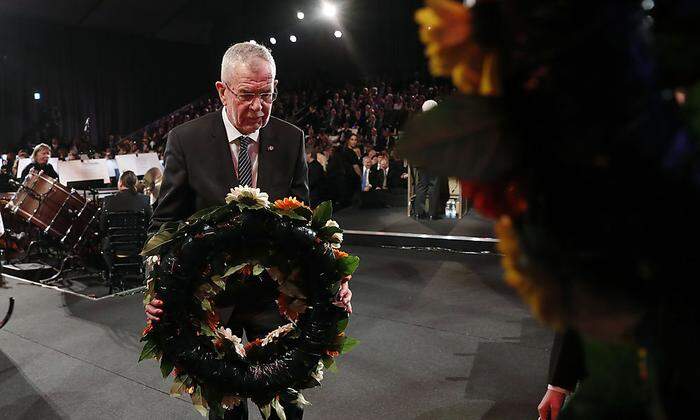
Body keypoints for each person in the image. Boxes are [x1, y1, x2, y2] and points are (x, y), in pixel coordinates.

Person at [145, 42, 352, 420]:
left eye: (267, 94)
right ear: (222, 91)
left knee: (287, 406)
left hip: (275, 299)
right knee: (226, 409)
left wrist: (334, 275)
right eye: (248, 95)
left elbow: (305, 224)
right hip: (210, 304)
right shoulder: (185, 140)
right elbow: (164, 225)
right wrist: (156, 285)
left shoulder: (290, 139)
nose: (259, 107)